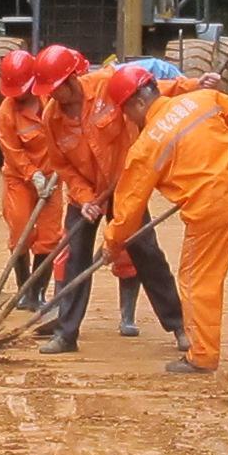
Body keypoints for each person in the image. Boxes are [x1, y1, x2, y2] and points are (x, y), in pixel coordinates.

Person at [103, 61, 228, 376]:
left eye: (125, 110)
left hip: (209, 209)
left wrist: (112, 243)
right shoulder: (202, 99)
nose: (126, 118)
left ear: (138, 102)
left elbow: (129, 205)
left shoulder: (146, 146)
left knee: (196, 282)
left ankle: (202, 356)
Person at [33, 47, 182, 353]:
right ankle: (66, 333)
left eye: (55, 89)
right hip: (86, 192)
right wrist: (85, 199)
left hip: (124, 185)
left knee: (145, 250)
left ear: (70, 79)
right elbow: (62, 165)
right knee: (75, 254)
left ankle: (178, 324)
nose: (52, 96)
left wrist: (195, 85)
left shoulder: (106, 85)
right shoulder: (51, 117)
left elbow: (157, 91)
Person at [0, 48, 64, 310]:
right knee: (20, 230)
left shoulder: (50, 100)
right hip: (19, 178)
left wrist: (58, 171)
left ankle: (37, 293)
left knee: (49, 236)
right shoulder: (6, 113)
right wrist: (32, 175)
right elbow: (13, 151)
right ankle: (23, 289)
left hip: (52, 178)